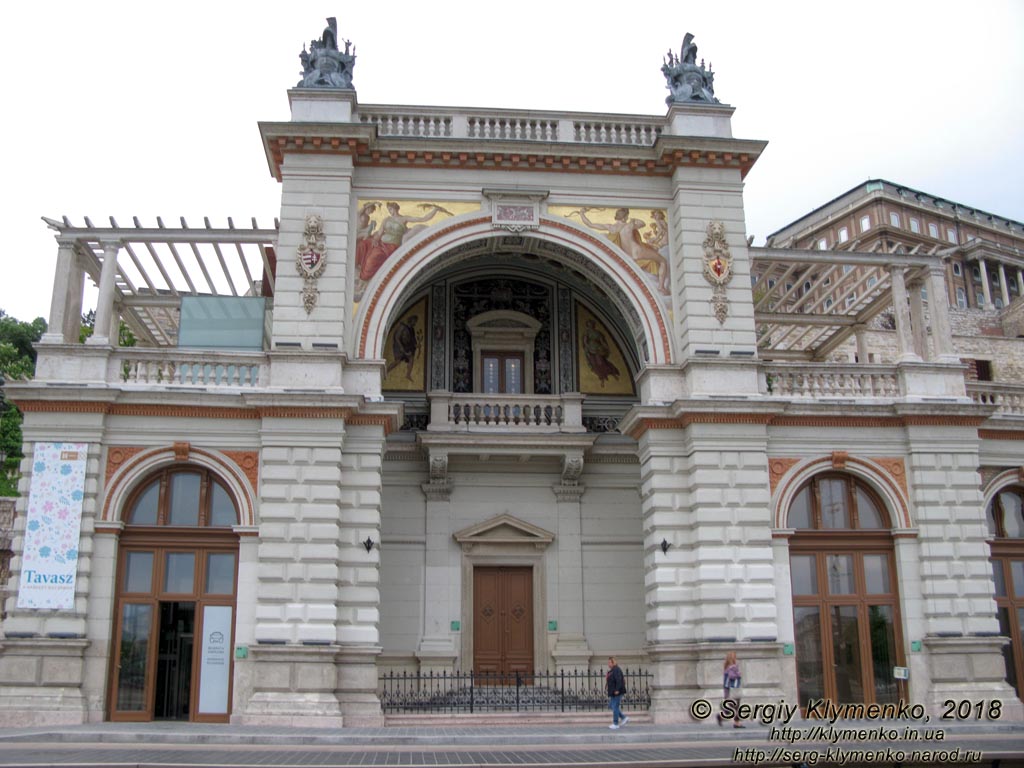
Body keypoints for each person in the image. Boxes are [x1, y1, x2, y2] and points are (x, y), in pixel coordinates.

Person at [717, 651, 743, 728]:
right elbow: (732, 676)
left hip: (728, 691)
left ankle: (722, 718)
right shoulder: (733, 667)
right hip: (733, 691)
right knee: (736, 708)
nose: (736, 658)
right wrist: (738, 674)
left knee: (732, 709)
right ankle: (736, 723)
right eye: (735, 657)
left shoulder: (727, 667)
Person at [605, 656, 630, 729]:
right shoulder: (612, 670)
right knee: (611, 705)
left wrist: (617, 690)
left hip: (617, 692)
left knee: (615, 706)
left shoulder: (616, 670)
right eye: (608, 662)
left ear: (613, 662)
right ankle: (624, 717)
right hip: (613, 692)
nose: (608, 664)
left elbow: (619, 680)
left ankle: (615, 723)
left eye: (609, 662)